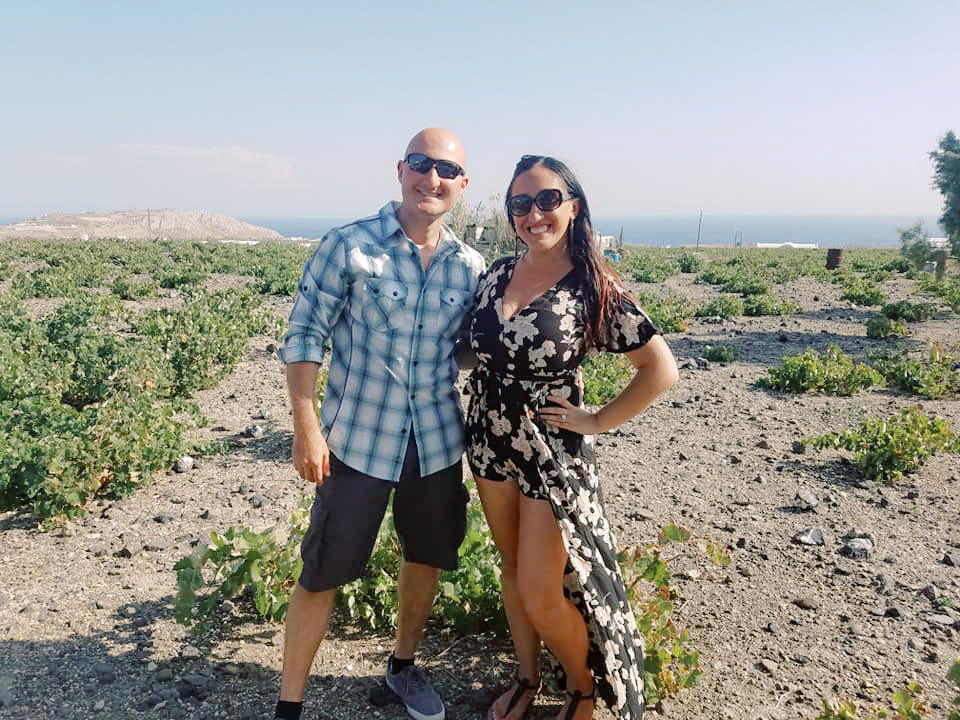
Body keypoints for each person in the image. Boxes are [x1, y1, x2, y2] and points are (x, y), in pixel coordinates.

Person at [274, 128, 486, 720]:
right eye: (421, 163)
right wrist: (305, 426)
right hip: (357, 443)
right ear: (400, 169)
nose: (432, 178)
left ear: (462, 185)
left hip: (436, 443)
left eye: (446, 169)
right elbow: (304, 335)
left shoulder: (469, 265)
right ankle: (289, 703)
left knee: (425, 558)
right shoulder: (348, 246)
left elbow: (466, 347)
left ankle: (402, 667)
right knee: (323, 571)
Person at [465, 155, 679, 720]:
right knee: (511, 571)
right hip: (488, 436)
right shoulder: (496, 274)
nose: (533, 214)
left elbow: (660, 369)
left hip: (551, 450)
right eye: (520, 204)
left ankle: (582, 689)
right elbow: (477, 349)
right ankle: (527, 677)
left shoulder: (591, 286)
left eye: (547, 200)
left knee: (539, 587)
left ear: (573, 206)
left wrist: (596, 420)